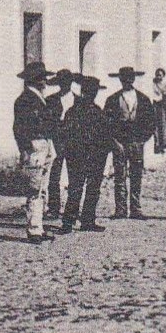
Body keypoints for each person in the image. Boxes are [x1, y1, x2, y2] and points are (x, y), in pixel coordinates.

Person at [11, 61, 58, 244]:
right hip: (35, 145)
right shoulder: (25, 99)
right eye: (43, 78)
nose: (45, 81)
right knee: (34, 189)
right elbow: (19, 128)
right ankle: (34, 229)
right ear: (37, 80)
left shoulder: (38, 97)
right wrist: (25, 147)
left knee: (41, 188)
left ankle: (39, 225)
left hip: (45, 143)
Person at [59, 76, 112, 233]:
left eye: (93, 92)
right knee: (82, 188)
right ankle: (75, 222)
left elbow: (105, 135)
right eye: (90, 92)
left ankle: (78, 221)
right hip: (84, 156)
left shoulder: (89, 112)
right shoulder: (82, 112)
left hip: (87, 156)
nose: (92, 94)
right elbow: (66, 135)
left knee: (85, 188)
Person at [103, 66, 156, 219]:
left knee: (136, 175)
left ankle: (135, 208)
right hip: (119, 142)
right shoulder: (112, 99)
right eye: (124, 78)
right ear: (120, 79)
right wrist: (114, 142)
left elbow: (151, 123)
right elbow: (107, 123)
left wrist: (142, 140)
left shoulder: (143, 99)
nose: (127, 80)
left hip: (136, 142)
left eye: (130, 78)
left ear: (133, 79)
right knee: (120, 175)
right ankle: (120, 209)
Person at [44, 68, 77, 217]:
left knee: (74, 175)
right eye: (62, 82)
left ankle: (72, 209)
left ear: (71, 83)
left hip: (73, 140)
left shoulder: (78, 100)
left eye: (67, 82)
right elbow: (46, 121)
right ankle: (54, 207)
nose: (65, 85)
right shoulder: (50, 100)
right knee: (54, 174)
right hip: (56, 140)